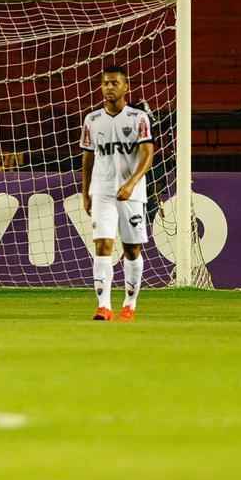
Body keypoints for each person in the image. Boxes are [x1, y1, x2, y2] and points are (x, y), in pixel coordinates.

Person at [79, 64, 154, 322]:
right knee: (103, 244)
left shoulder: (138, 119)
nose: (108, 87)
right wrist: (85, 192)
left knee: (132, 249)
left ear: (126, 87)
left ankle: (129, 304)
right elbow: (88, 157)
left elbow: (147, 154)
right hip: (102, 191)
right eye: (105, 83)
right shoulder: (92, 120)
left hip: (131, 193)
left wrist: (132, 183)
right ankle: (103, 306)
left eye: (114, 83)